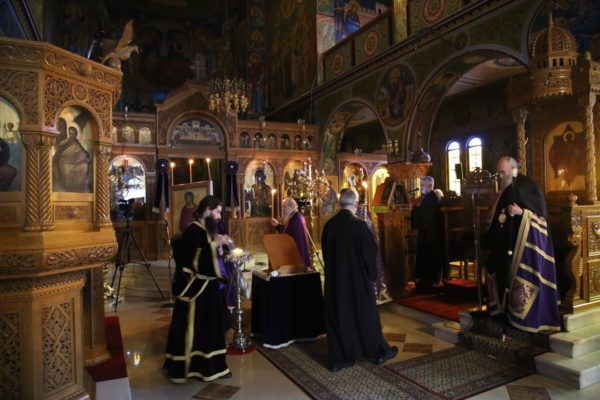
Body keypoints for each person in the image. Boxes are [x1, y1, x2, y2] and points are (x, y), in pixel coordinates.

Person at [321, 188, 398, 372]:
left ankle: (340, 359)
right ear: (356, 203)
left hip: (336, 282)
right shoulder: (359, 226)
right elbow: (370, 255)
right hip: (357, 282)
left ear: (340, 203)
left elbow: (326, 254)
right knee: (365, 315)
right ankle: (377, 352)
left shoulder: (329, 225)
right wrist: (372, 276)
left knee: (340, 317)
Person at [484, 156, 560, 332]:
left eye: (503, 172)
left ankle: (522, 318)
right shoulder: (505, 190)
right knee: (502, 278)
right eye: (499, 172)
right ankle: (504, 313)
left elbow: (541, 220)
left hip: (522, 248)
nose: (500, 176)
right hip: (503, 247)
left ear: (513, 169)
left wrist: (522, 212)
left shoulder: (528, 186)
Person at [164, 195, 233, 382]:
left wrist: (221, 248)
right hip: (197, 291)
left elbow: (212, 255)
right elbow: (194, 260)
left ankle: (214, 365)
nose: (219, 216)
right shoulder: (193, 231)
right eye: (217, 212)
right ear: (207, 210)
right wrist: (215, 245)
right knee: (199, 330)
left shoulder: (208, 229)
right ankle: (198, 368)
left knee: (212, 329)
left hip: (210, 288)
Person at [411, 176, 444, 289]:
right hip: (429, 234)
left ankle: (429, 281)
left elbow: (425, 216)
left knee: (429, 257)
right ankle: (427, 280)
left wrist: (415, 208)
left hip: (431, 235)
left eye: (422, 185)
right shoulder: (430, 197)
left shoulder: (431, 198)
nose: (420, 187)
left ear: (430, 185)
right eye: (420, 185)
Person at [271, 197, 313, 270]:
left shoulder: (296, 219)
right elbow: (287, 230)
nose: (282, 209)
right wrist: (277, 225)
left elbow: (287, 235)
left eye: (284, 207)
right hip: (295, 255)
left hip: (297, 256)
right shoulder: (294, 217)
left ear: (291, 206)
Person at [53, 125, 91, 192]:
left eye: (73, 134)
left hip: (75, 161)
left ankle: (79, 185)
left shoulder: (77, 143)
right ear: (69, 134)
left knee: (84, 166)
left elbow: (83, 152)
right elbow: (58, 153)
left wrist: (85, 157)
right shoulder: (64, 142)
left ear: (76, 134)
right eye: (70, 133)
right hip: (64, 160)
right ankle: (67, 186)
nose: (72, 135)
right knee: (66, 167)